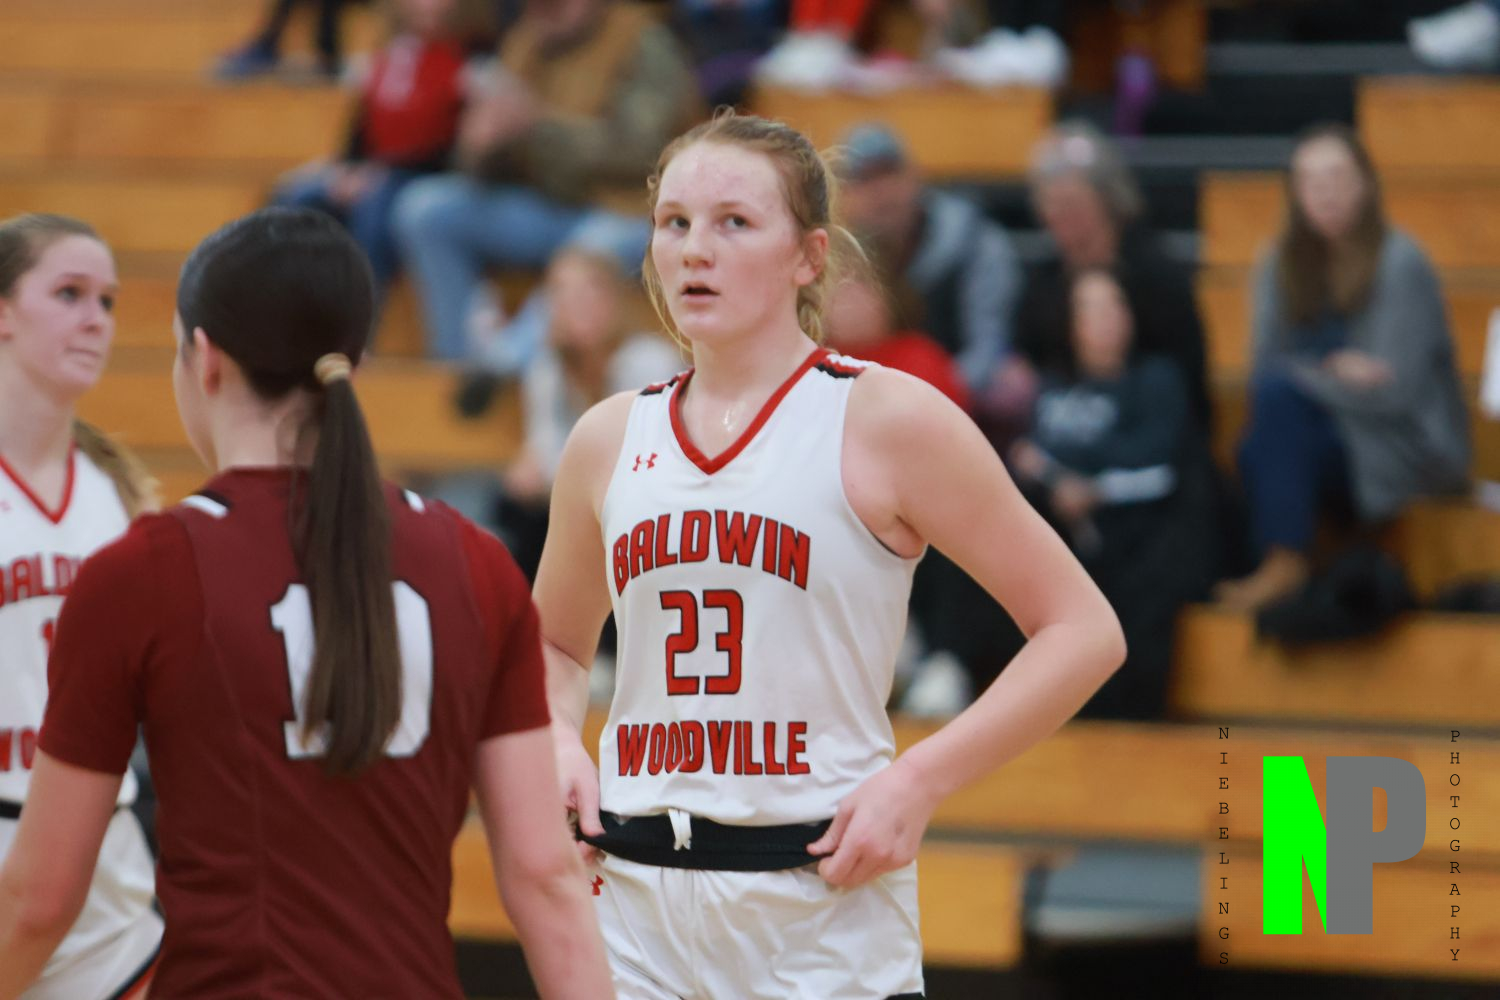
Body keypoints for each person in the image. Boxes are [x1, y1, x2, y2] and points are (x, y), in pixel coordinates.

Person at [535, 110, 1125, 998]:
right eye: (675, 222)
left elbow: (1083, 630)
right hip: (634, 911)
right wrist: (555, 739)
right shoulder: (607, 437)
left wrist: (919, 780)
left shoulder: (888, 418)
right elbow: (551, 643)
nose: (696, 250)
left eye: (735, 222)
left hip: (820, 910)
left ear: (809, 256)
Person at [0, 208, 613, 999]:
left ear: (204, 359)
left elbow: (40, 902)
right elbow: (546, 881)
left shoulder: (144, 572)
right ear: (354, 365)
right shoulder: (477, 563)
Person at [0, 214, 163, 999]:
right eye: (69, 293)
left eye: (107, 301)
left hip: (108, 862)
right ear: (3, 312)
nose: (96, 318)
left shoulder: (120, 492)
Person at [1216, 125, 1471, 611]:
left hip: (1403, 443)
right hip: (1327, 434)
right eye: (1311, 181)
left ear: (1365, 185)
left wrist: (1304, 376)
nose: (1325, 192)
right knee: (1260, 433)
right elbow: (1262, 371)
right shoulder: (1279, 262)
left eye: (1336, 177)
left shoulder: (1401, 262)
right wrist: (1333, 372)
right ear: (1295, 193)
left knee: (1275, 417)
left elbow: (1394, 393)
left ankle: (1284, 562)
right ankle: (1284, 565)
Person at [393, 0, 700, 369]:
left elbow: (646, 152)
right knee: (426, 209)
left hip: (624, 208)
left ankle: (500, 366)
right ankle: (454, 365)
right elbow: (479, 168)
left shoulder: (642, 42)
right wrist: (481, 145)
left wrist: (537, 125)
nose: (545, 8)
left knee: (589, 249)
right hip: (544, 206)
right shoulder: (524, 41)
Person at [1010, 267, 1207, 719]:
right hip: (1063, 526)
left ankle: (1130, 716)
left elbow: (1157, 463)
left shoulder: (1155, 379)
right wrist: (1060, 478)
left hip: (1138, 528)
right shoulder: (1054, 388)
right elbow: (1028, 458)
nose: (1106, 319)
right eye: (1091, 309)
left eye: (1114, 305)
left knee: (1148, 576)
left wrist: (1091, 484)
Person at [493, 246, 681, 582]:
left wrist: (556, 473)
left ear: (614, 300)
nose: (574, 303)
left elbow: (643, 460)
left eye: (588, 291)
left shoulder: (648, 361)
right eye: (561, 292)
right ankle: (534, 610)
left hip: (648, 507)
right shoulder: (547, 368)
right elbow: (542, 448)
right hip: (581, 504)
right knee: (513, 506)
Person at [270, 0, 480, 294]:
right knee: (296, 198)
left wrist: (382, 172)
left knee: (375, 206)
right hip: (375, 169)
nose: (428, 7)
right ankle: (288, 304)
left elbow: (455, 144)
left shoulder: (470, 63)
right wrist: (347, 169)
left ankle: (363, 306)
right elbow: (363, 124)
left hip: (424, 173)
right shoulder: (387, 57)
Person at [837, 123, 1020, 403]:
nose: (881, 191)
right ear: (845, 194)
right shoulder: (841, 253)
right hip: (877, 386)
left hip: (953, 386)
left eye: (889, 173)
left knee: (1012, 386)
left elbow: (988, 346)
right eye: (864, 179)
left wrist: (928, 392)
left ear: (914, 176)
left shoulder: (973, 243)